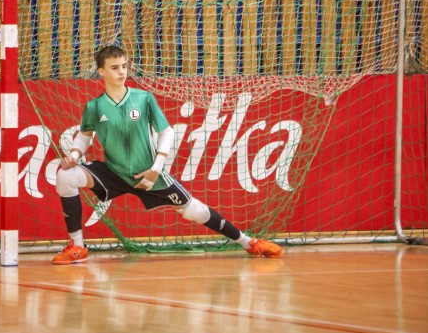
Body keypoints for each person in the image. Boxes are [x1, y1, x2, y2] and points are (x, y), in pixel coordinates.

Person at [52, 45, 282, 265]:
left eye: (124, 66)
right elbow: (84, 135)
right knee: (66, 175)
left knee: (195, 211)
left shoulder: (143, 99)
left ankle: (249, 243)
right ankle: (78, 247)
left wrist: (156, 168)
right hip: (114, 172)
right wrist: (74, 154)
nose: (121, 71)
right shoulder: (95, 106)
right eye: (114, 67)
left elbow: (166, 132)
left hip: (151, 174)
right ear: (101, 71)